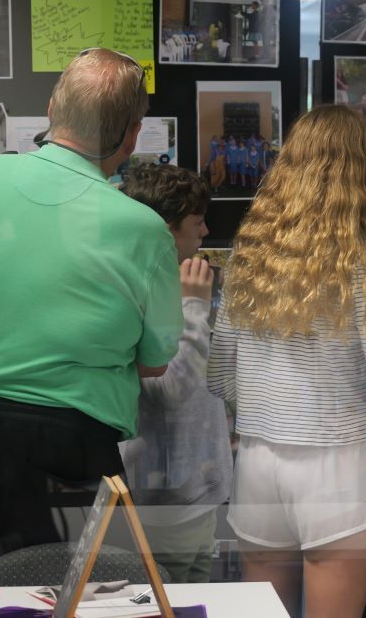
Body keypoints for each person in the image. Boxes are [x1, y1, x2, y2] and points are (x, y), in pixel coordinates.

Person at [0, 48, 183, 565]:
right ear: (133, 135)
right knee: (75, 593)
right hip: (71, 455)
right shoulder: (144, 230)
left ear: (52, 109)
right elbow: (155, 362)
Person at [207, 104, 366, 618]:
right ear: (364, 172)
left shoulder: (250, 253)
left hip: (258, 461)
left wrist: (263, 413)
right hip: (338, 462)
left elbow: (219, 373)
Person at [117, 164, 232, 584]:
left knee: (193, 600)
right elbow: (168, 389)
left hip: (198, 491)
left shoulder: (175, 282)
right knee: (170, 601)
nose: (205, 232)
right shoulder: (133, 292)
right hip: (166, 496)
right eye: (197, 222)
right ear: (166, 231)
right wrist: (195, 306)